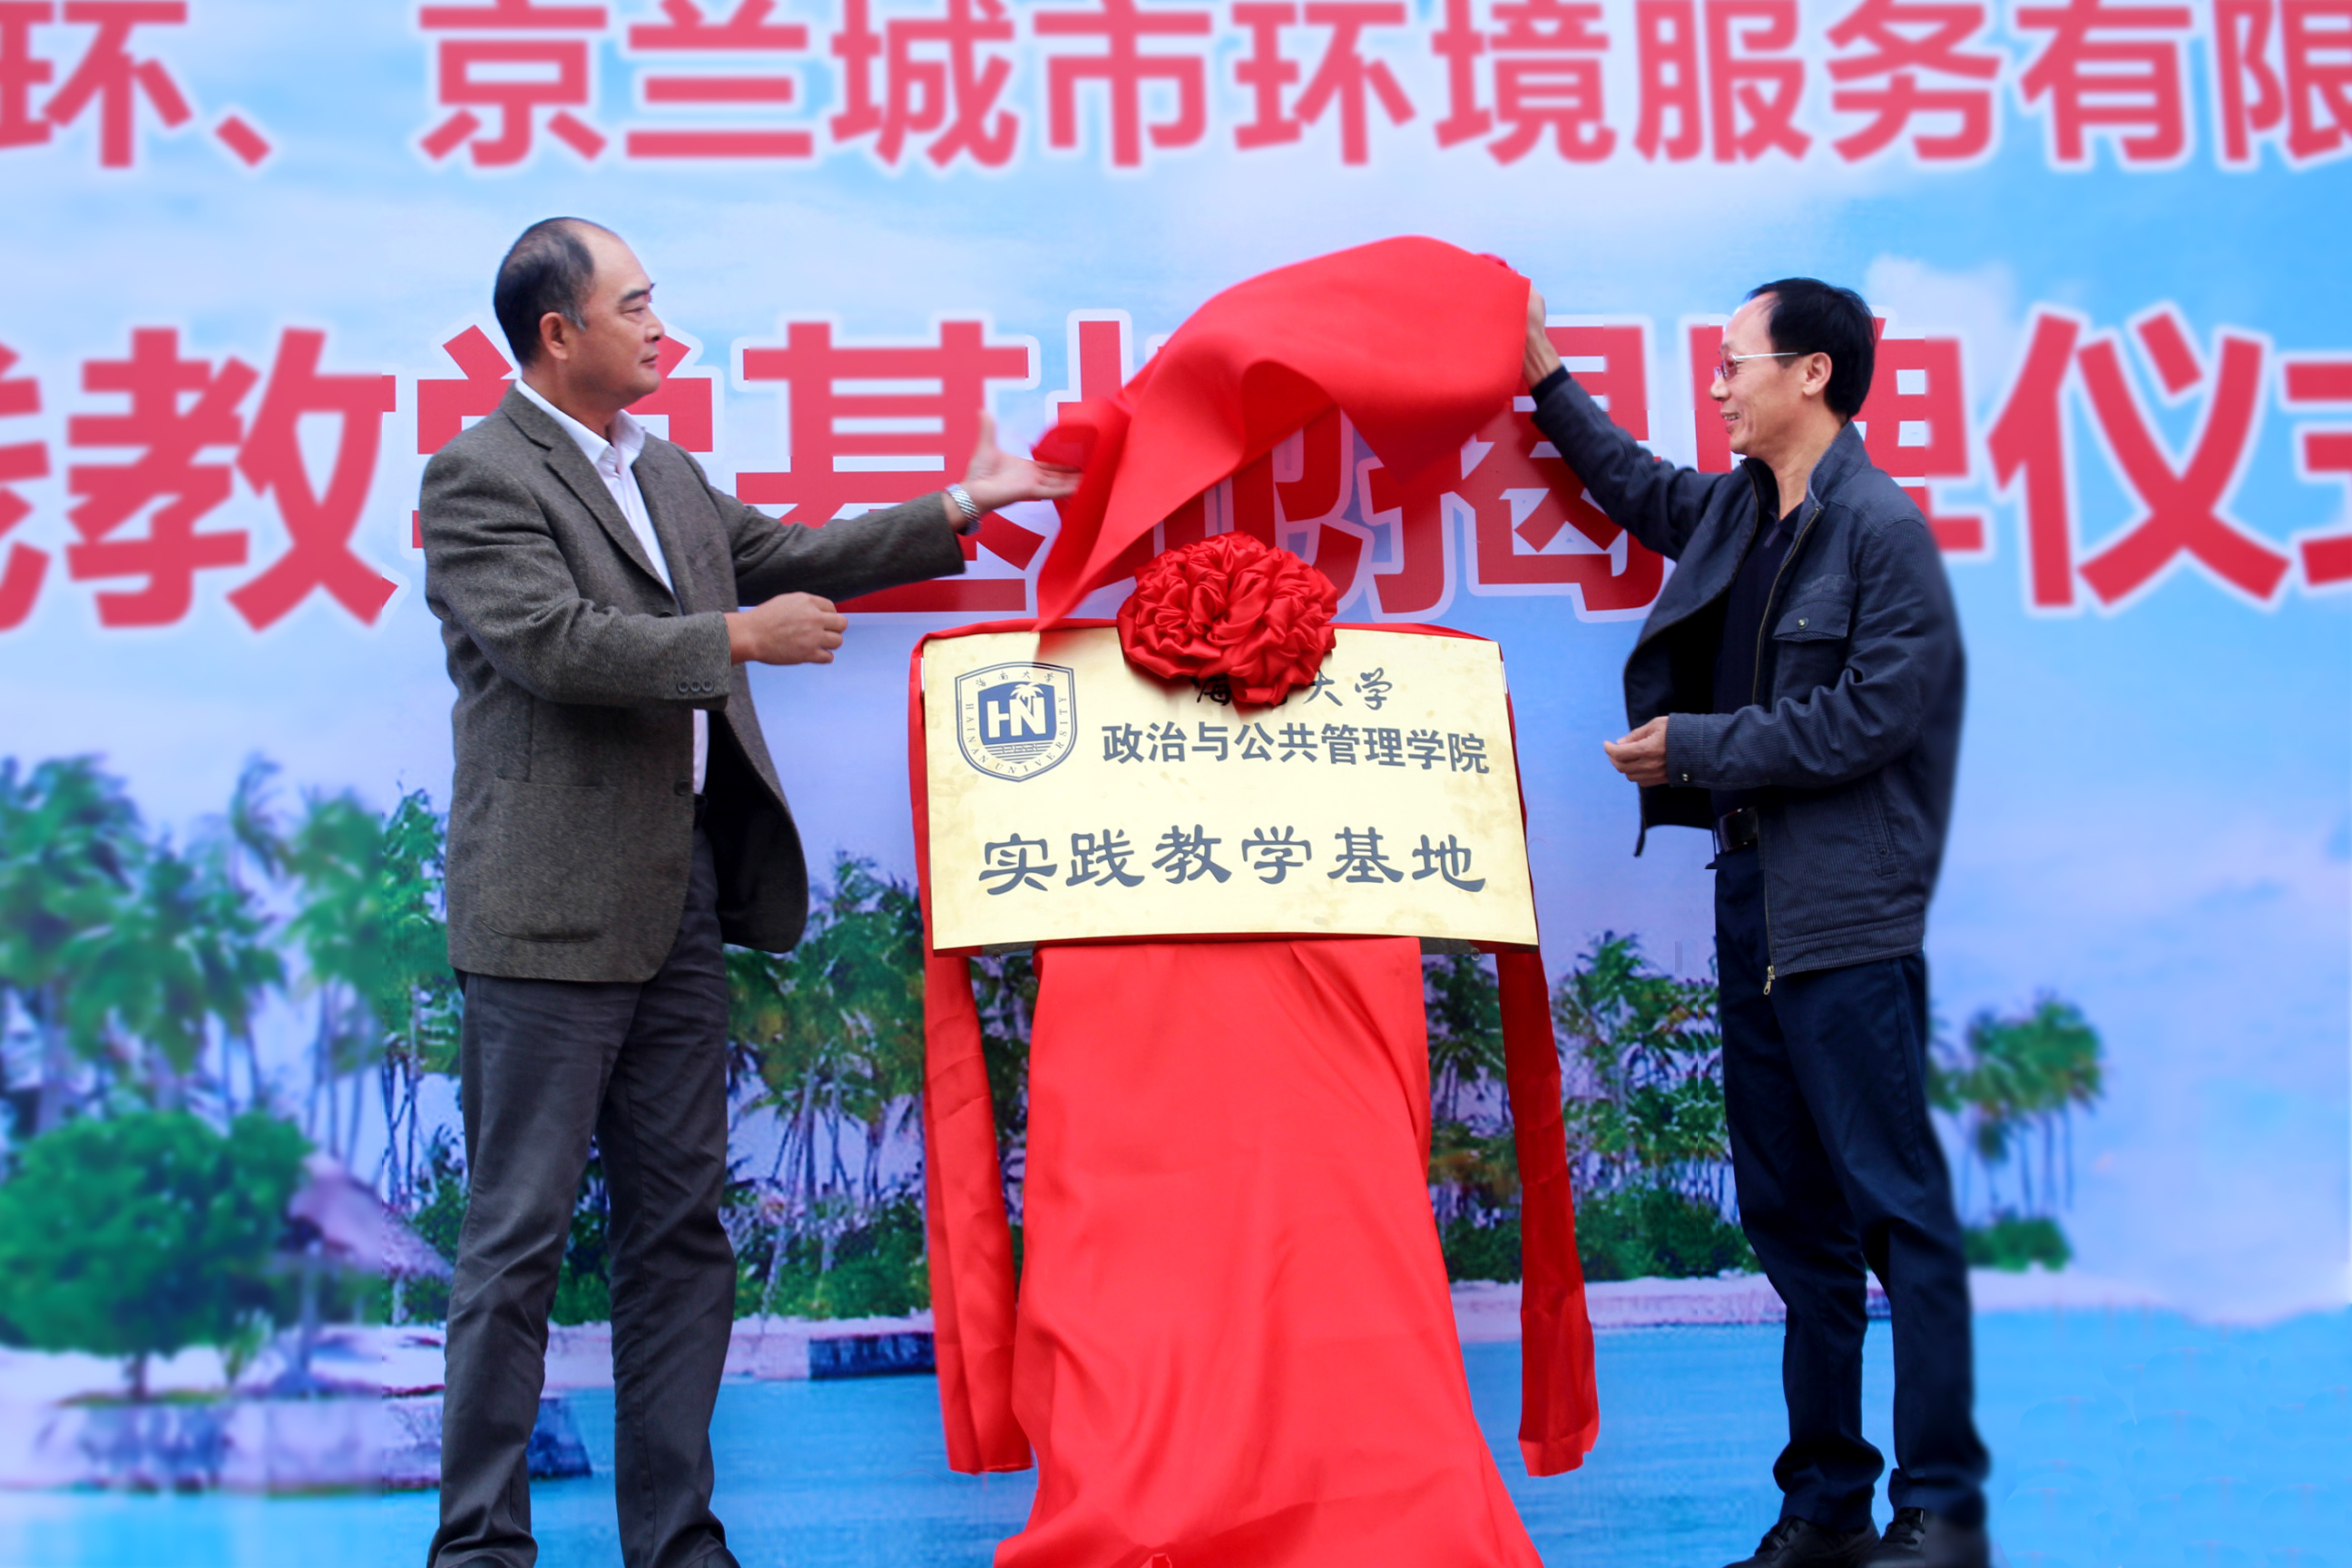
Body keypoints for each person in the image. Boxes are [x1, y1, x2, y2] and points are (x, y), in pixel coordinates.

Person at [419, 216, 1075, 1568]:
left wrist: (962, 507)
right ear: (558, 332)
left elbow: (783, 556)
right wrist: (735, 639)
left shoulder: (663, 472)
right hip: (544, 919)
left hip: (680, 905)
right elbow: (556, 645)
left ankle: (679, 1543)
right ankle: (480, 1547)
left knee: (681, 1238)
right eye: (636, 306)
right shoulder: (479, 473)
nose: (663, 329)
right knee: (516, 1245)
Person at [1523, 278, 1986, 1568]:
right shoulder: (1739, 509)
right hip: (1752, 904)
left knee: (1894, 1214)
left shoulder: (1881, 530)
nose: (1718, 385)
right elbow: (1633, 485)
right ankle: (1825, 1507)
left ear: (1812, 374)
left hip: (1845, 917)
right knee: (1792, 1224)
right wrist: (1547, 378)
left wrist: (1699, 747)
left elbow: (1869, 718)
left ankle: (1937, 1510)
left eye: (1735, 363)